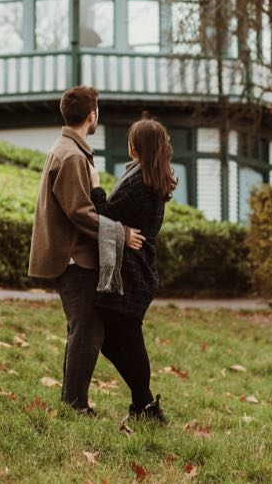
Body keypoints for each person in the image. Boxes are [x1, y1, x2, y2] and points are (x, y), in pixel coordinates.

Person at [28, 86, 145, 415]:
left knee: (84, 329)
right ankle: (75, 405)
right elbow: (79, 212)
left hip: (73, 255)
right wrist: (120, 233)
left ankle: (72, 401)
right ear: (92, 116)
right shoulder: (72, 155)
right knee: (88, 330)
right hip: (73, 258)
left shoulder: (69, 149)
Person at [90, 115, 176, 425]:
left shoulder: (140, 183)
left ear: (136, 146)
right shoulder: (150, 177)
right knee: (116, 339)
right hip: (137, 271)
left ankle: (147, 406)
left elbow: (106, 214)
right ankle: (144, 405)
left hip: (132, 273)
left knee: (121, 339)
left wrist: (96, 187)